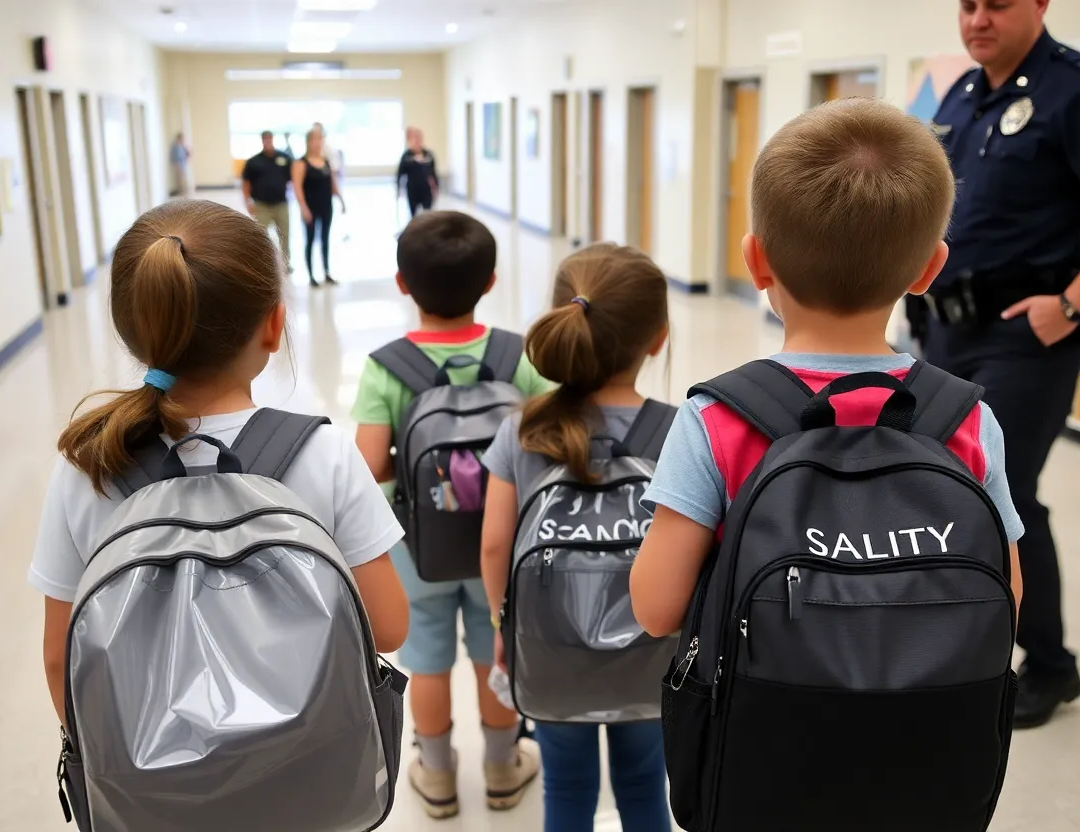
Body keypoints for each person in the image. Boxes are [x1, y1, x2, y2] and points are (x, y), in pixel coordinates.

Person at [630, 91, 1025, 740]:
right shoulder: (967, 420)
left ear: (755, 261)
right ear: (929, 269)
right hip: (926, 747)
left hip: (766, 747)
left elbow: (655, 607)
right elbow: (1005, 597)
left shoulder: (716, 419)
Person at [28, 199, 409, 729]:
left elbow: (60, 658)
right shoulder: (324, 453)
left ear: (134, 330)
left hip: (151, 765)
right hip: (306, 755)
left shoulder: (89, 465)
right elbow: (388, 627)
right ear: (273, 325)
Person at [920, 0, 1080, 728]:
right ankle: (972, 631)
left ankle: (1050, 664)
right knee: (951, 487)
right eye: (968, 5)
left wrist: (1076, 304)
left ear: (1040, 5)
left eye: (997, 3)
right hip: (949, 326)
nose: (978, 19)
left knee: (1006, 493)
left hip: (1027, 336)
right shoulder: (963, 93)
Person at [352, 211, 548, 820]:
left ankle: (436, 776)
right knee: (495, 653)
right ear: (490, 282)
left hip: (419, 548)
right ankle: (501, 767)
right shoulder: (517, 355)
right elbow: (549, 443)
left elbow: (368, 466)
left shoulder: (386, 366)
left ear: (402, 284)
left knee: (428, 662)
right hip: (503, 542)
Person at [480, 244, 673, 832]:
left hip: (550, 646)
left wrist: (503, 624)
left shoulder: (524, 429)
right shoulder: (680, 431)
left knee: (565, 788)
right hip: (651, 647)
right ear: (658, 338)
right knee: (645, 785)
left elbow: (495, 545)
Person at [293, 129, 345, 287]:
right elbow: (297, 188)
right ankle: (311, 275)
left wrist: (341, 200)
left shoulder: (326, 161)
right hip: (310, 207)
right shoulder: (301, 163)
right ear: (308, 142)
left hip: (326, 205)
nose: (317, 143)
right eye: (315, 140)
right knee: (310, 239)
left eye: (320, 140)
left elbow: (333, 184)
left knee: (325, 238)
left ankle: (327, 272)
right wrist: (303, 208)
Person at [242, 131, 293, 272]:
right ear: (262, 141)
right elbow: (246, 183)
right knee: (260, 236)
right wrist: (248, 202)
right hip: (262, 205)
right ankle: (261, 264)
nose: (268, 141)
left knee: (284, 235)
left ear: (273, 139)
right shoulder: (254, 162)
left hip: (281, 204)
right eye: (265, 139)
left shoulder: (284, 158)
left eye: (270, 138)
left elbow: (293, 177)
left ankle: (285, 263)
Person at [397, 127, 439, 219]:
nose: (417, 141)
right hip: (412, 189)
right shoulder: (406, 156)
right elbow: (400, 174)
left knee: (428, 214)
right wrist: (398, 189)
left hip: (426, 189)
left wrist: (436, 186)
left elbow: (433, 173)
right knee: (413, 214)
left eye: (419, 138)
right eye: (415, 138)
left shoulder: (428, 155)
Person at [169, 132, 192, 197]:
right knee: (179, 179)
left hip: (183, 164)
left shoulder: (182, 146)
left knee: (183, 178)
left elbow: (188, 154)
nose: (182, 139)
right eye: (181, 138)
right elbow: (172, 156)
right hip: (178, 165)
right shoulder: (174, 146)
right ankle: (180, 192)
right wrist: (175, 165)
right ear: (178, 138)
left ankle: (183, 191)